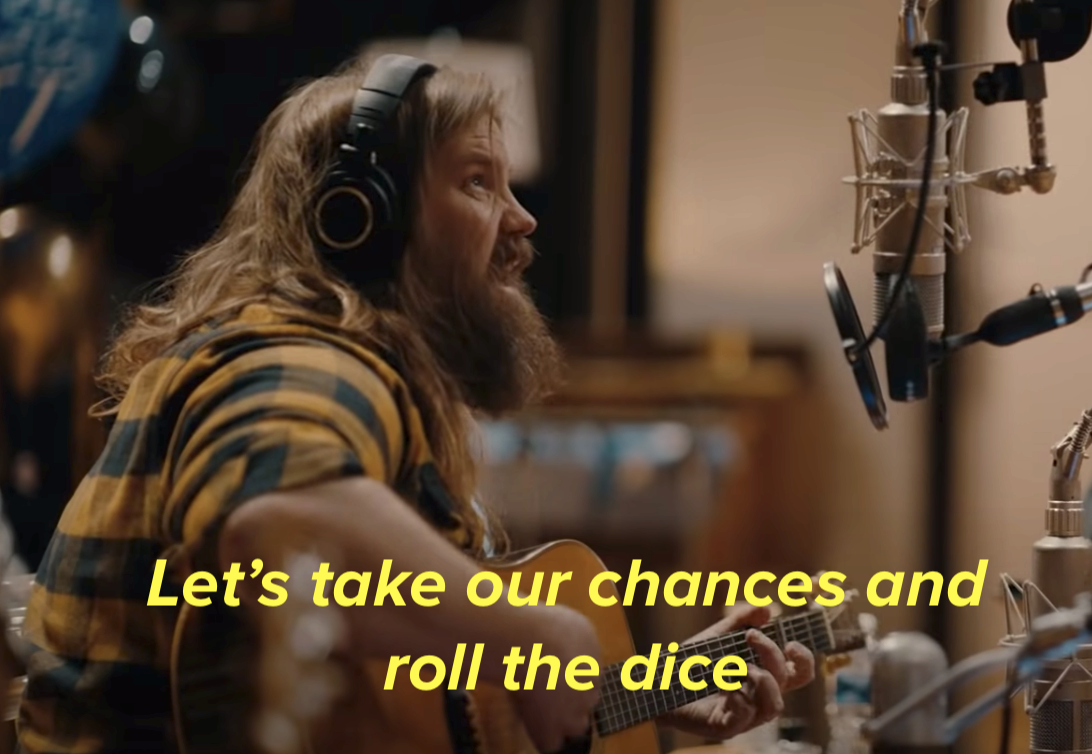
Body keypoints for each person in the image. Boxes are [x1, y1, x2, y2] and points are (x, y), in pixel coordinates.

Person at [15, 50, 815, 754]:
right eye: (476, 182)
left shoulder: (345, 367)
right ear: (361, 217)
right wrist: (536, 630)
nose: (522, 220)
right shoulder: (301, 354)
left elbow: (405, 696)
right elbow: (277, 520)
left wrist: (648, 693)